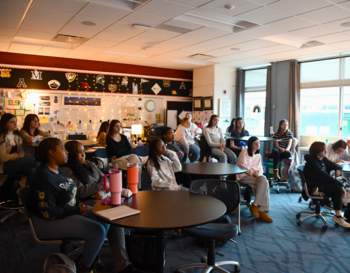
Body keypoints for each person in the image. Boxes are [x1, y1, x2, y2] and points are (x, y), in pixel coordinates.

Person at [61, 140, 140, 272]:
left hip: (102, 196)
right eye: (78, 152)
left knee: (125, 208)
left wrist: (102, 189)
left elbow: (106, 178)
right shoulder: (67, 170)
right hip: (85, 202)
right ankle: (122, 263)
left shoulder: (89, 164)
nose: (83, 155)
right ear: (71, 155)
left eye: (83, 151)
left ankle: (124, 261)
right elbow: (81, 191)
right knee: (115, 216)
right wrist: (100, 186)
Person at [303, 141, 350, 228]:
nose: (326, 152)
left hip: (320, 183)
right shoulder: (312, 163)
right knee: (338, 188)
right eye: (324, 150)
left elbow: (334, 164)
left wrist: (338, 169)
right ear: (317, 151)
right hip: (314, 186)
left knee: (339, 187)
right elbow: (325, 177)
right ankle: (338, 216)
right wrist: (341, 185)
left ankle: (331, 204)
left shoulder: (322, 159)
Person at [237, 136, 272, 223]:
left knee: (263, 180)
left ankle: (255, 205)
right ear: (251, 144)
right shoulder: (244, 152)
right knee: (264, 184)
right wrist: (253, 172)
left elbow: (260, 169)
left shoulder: (258, 156)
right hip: (243, 176)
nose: (258, 145)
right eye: (255, 143)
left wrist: (258, 174)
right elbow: (242, 167)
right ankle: (262, 210)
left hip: (255, 177)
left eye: (258, 143)